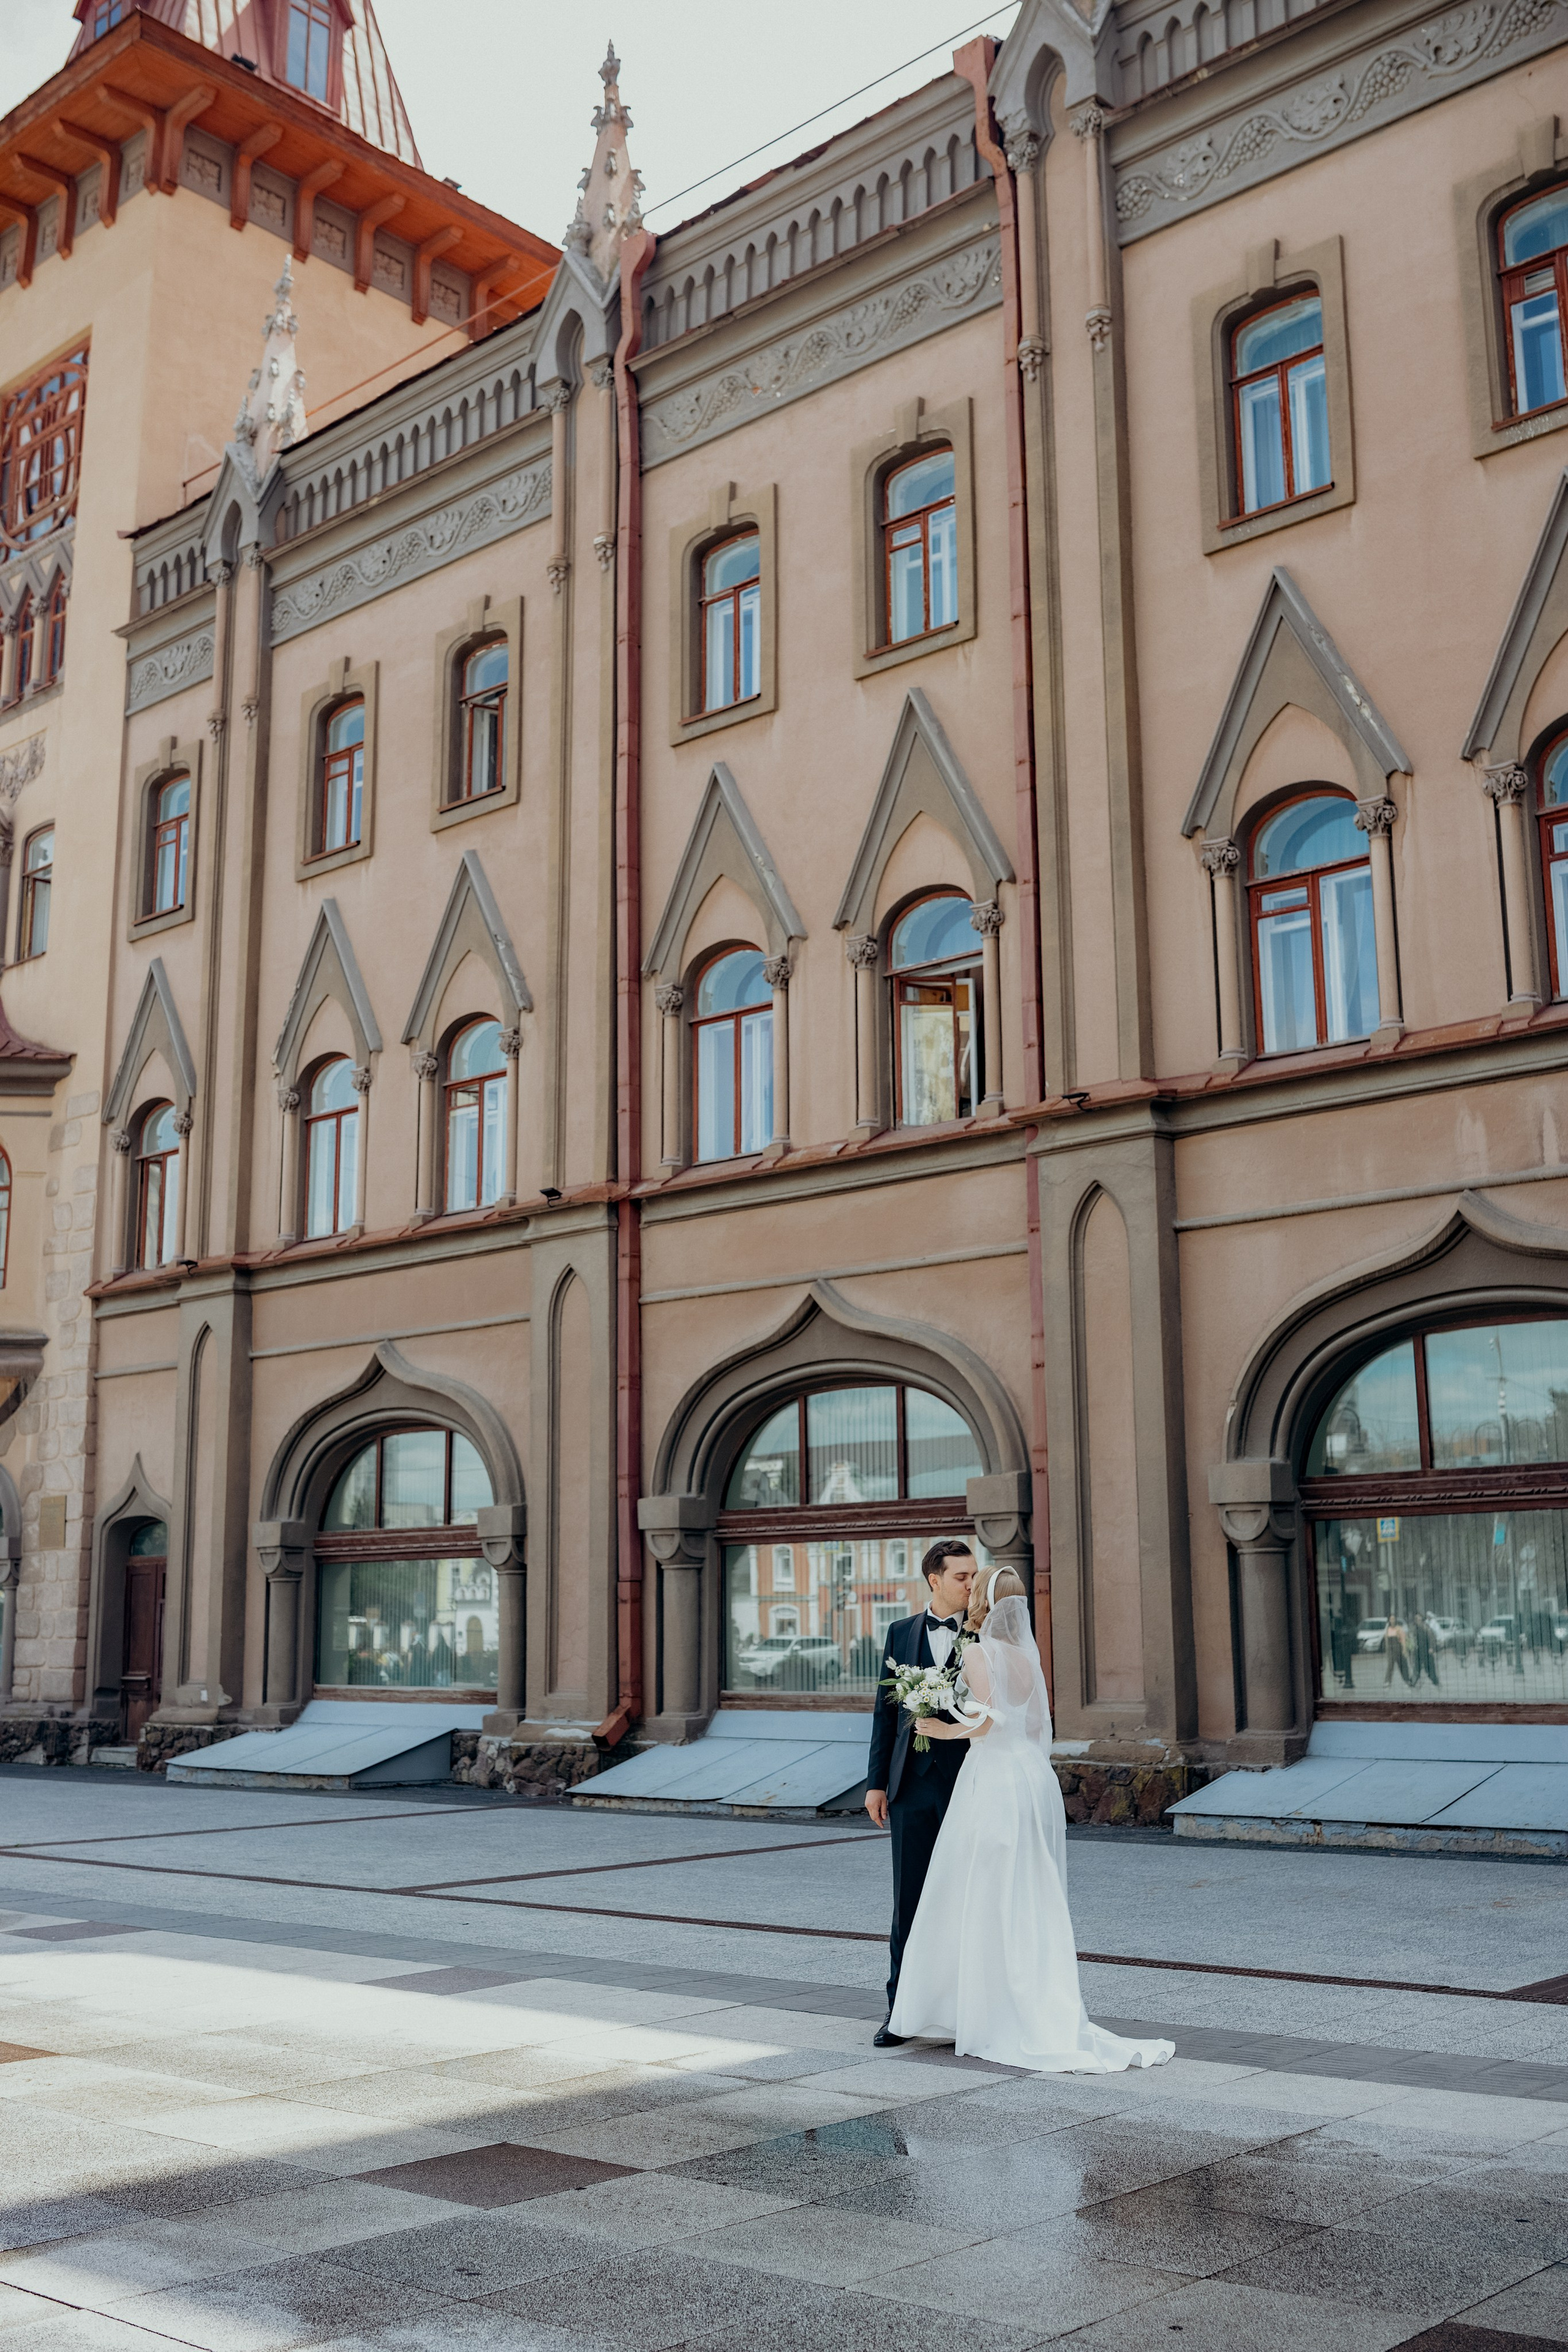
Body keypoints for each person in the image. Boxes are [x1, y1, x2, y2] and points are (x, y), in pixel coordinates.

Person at [887, 1567, 1174, 2075]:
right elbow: (1036, 1725)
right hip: (1029, 1775)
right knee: (1024, 1889)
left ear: (983, 1600)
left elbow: (988, 1720)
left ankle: (982, 2011)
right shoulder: (1026, 1656)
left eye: (974, 1588)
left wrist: (942, 1729)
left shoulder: (980, 1653)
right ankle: (1014, 2000)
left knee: (979, 1888)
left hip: (993, 1777)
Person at [864, 1537, 976, 2048]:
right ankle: (899, 2014)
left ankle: (964, 2013)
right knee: (907, 1900)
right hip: (909, 1786)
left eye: (973, 1575)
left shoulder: (984, 1634)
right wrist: (876, 1783)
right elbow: (885, 1712)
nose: (971, 1584)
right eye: (961, 1576)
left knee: (966, 1898)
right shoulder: (900, 1631)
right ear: (935, 1580)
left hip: (969, 1782)